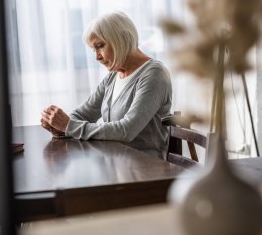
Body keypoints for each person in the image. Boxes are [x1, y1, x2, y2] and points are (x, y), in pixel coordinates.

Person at [41, 12, 172, 159]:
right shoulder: (113, 76)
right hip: (115, 163)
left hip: (146, 170)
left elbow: (126, 130)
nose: (97, 56)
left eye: (100, 46)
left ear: (122, 40)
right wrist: (58, 127)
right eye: (93, 49)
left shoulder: (154, 74)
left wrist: (68, 126)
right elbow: (83, 114)